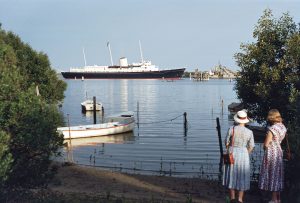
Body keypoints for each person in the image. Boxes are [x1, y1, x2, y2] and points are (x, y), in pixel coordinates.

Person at [223, 110, 255, 203]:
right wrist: (246, 153)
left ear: (237, 119)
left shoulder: (231, 129)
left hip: (232, 152)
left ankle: (232, 198)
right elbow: (252, 146)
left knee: (231, 174)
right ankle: (240, 199)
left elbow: (226, 142)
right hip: (244, 154)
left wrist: (228, 146)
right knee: (242, 175)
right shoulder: (249, 132)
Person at [259, 109, 287, 203]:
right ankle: (278, 199)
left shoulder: (272, 129)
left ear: (271, 117)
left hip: (271, 152)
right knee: (277, 175)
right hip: (279, 151)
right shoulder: (282, 127)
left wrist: (264, 147)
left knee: (272, 175)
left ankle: (273, 199)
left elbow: (266, 144)